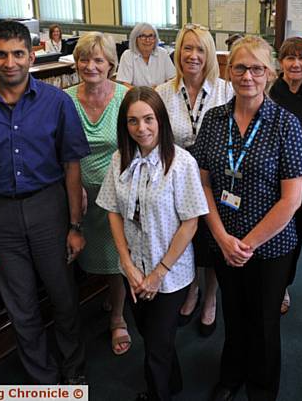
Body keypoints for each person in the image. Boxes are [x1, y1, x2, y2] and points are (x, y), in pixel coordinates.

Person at [0, 21, 89, 384]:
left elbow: (72, 168)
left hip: (48, 209)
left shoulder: (57, 102)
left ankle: (74, 374)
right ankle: (44, 381)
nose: (10, 63)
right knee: (21, 308)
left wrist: (75, 226)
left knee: (64, 299)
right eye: (2, 54)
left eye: (18, 53)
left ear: (31, 55)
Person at [193, 36, 302, 400]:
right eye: (240, 68)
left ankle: (261, 387)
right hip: (224, 240)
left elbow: (292, 200)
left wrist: (247, 245)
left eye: (257, 68)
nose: (248, 76)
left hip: (269, 246)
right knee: (234, 312)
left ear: (269, 74)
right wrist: (223, 238)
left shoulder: (284, 124)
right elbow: (204, 185)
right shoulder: (213, 120)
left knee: (262, 322)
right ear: (229, 72)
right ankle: (232, 374)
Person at [96, 87, 208, 401]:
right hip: (133, 269)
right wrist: (128, 264)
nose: (141, 128)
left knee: (157, 347)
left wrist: (158, 273)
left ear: (161, 120)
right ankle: (173, 383)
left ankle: (158, 394)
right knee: (149, 334)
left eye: (148, 119)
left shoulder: (181, 162)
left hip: (169, 274)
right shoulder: (120, 158)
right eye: (133, 121)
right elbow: (113, 212)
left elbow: (191, 223)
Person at [156, 23, 233, 336]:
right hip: (176, 181)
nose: (193, 55)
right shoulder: (163, 93)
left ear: (210, 54)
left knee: (212, 240)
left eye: (200, 49)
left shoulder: (226, 90)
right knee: (185, 240)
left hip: (216, 180)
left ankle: (210, 296)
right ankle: (190, 290)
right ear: (178, 52)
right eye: (187, 48)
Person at [65, 32, 131, 355]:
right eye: (83, 59)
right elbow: (57, 148)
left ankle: (118, 316)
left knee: (116, 258)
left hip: (115, 193)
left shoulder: (125, 97)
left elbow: (135, 147)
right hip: (75, 191)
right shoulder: (63, 100)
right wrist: (73, 190)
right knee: (76, 256)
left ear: (110, 65)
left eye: (98, 60)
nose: (90, 66)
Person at [269, 36, 302, 316]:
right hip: (270, 180)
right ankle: (266, 282)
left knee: (294, 237)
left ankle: (283, 284)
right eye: (290, 57)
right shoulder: (270, 93)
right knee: (269, 234)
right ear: (281, 63)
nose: (296, 63)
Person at [116, 22, 176, 87]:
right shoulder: (127, 56)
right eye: (143, 36)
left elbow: (172, 79)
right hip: (136, 96)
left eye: (151, 36)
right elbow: (125, 85)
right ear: (135, 39)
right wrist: (147, 94)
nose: (147, 40)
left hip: (161, 95)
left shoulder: (163, 53)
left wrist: (160, 90)